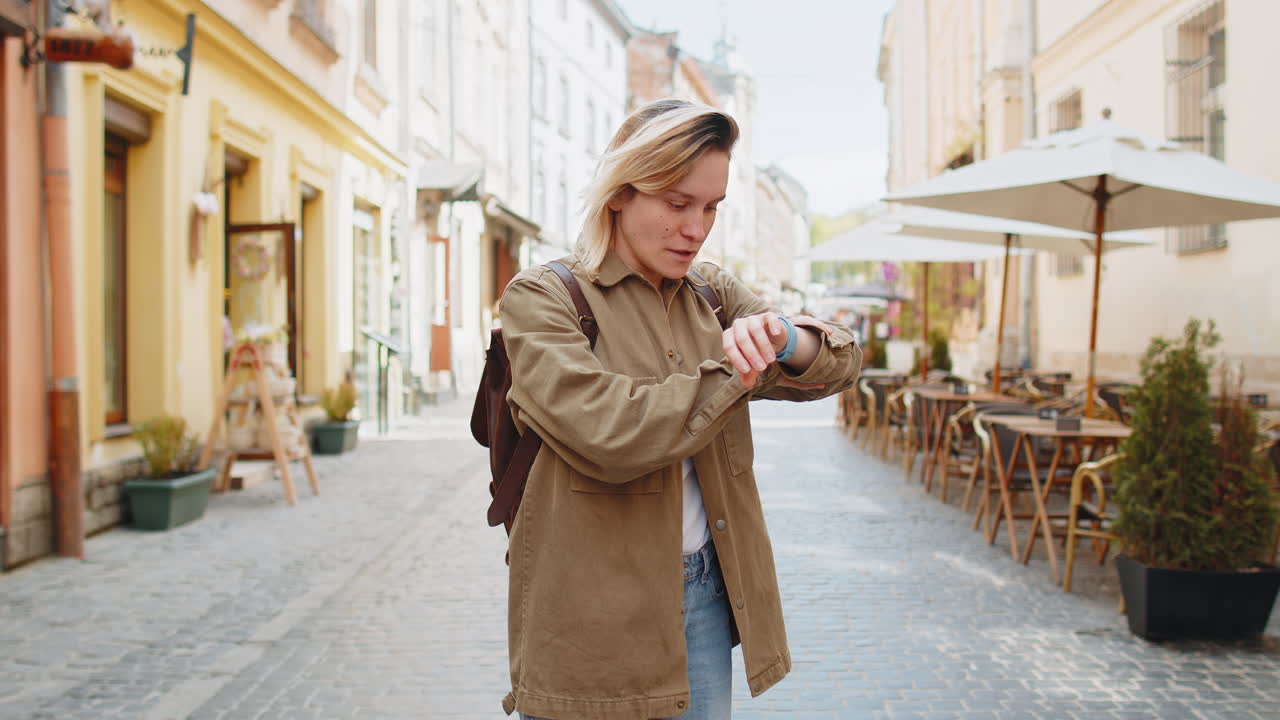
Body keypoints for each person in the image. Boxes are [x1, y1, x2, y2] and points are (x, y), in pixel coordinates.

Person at [498, 99, 863, 720]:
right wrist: (734, 369)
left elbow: (839, 364)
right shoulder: (541, 298)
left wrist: (782, 335)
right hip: (591, 609)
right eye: (676, 203)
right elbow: (612, 433)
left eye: (711, 207)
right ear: (620, 193)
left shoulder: (711, 293)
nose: (696, 228)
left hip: (705, 596)